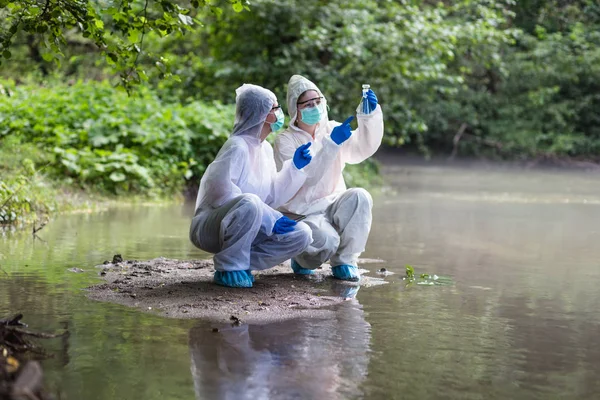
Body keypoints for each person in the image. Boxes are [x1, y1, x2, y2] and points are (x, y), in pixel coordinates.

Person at [189, 84, 314, 288]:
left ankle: (241, 263)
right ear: (262, 114)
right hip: (211, 228)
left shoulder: (264, 149)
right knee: (250, 202)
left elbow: (272, 195)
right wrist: (271, 218)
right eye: (275, 108)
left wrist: (295, 167)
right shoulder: (236, 146)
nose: (279, 113)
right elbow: (223, 195)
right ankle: (229, 267)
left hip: (249, 226)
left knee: (302, 234)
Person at [273, 75, 384, 281]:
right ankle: (303, 259)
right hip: (301, 212)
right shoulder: (286, 141)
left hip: (333, 202)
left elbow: (362, 148)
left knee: (361, 196)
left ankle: (345, 261)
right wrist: (331, 144)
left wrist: (368, 117)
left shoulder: (332, 129)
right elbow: (306, 179)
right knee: (327, 240)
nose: (315, 107)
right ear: (295, 109)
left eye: (318, 101)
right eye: (308, 104)